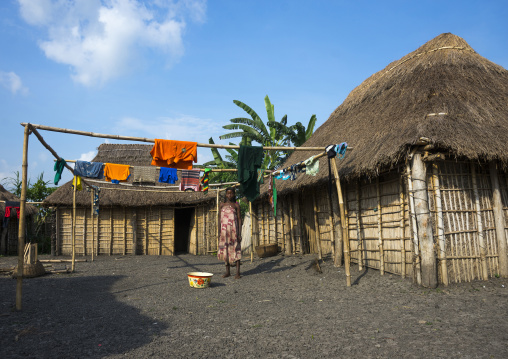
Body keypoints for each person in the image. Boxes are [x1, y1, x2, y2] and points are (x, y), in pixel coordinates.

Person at [218, 187, 242, 278]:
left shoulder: (236, 205)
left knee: (236, 250)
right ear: (225, 194)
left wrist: (239, 234)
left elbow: (239, 219)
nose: (229, 195)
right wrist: (219, 232)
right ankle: (227, 272)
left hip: (234, 232)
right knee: (225, 250)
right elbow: (219, 219)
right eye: (228, 193)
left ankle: (237, 273)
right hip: (224, 233)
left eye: (231, 193)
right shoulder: (222, 205)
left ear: (234, 194)